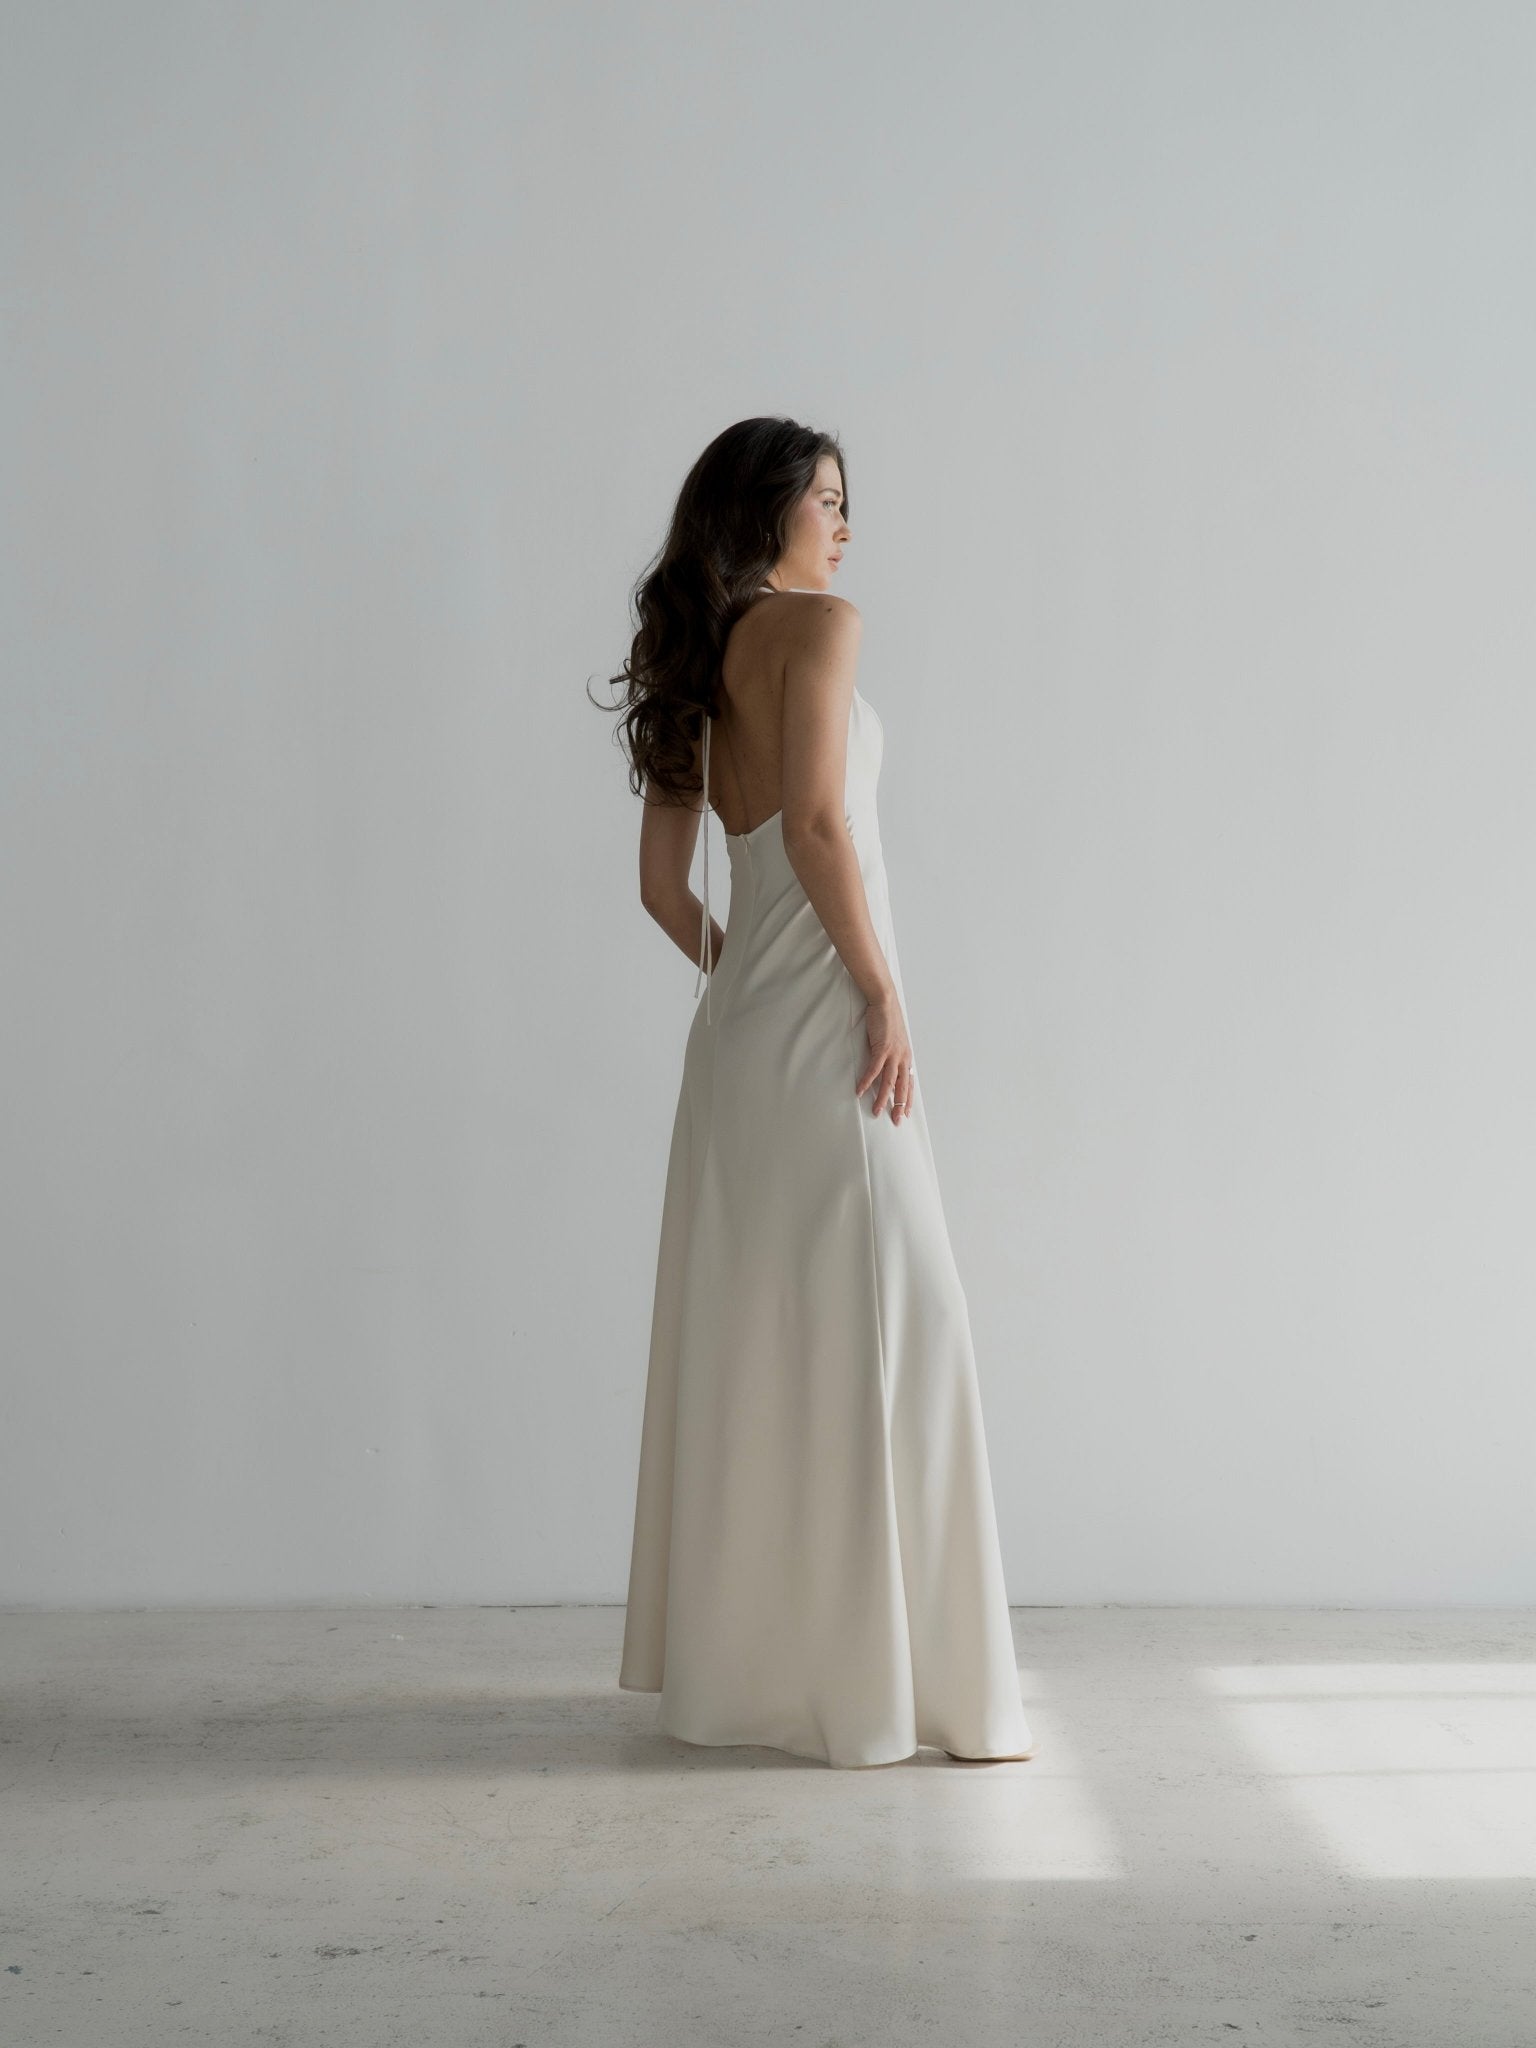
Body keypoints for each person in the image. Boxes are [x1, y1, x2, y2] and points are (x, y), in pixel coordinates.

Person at [608, 416, 1035, 1769]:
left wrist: (754, 981)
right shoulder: (821, 627)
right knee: (908, 1331)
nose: (846, 526)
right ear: (771, 510)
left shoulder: (689, 654)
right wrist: (877, 987)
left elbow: (664, 890)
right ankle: (929, 1695)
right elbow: (815, 822)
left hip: (738, 1051)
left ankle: (784, 1681)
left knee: (780, 1343)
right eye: (829, 501)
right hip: (832, 1042)